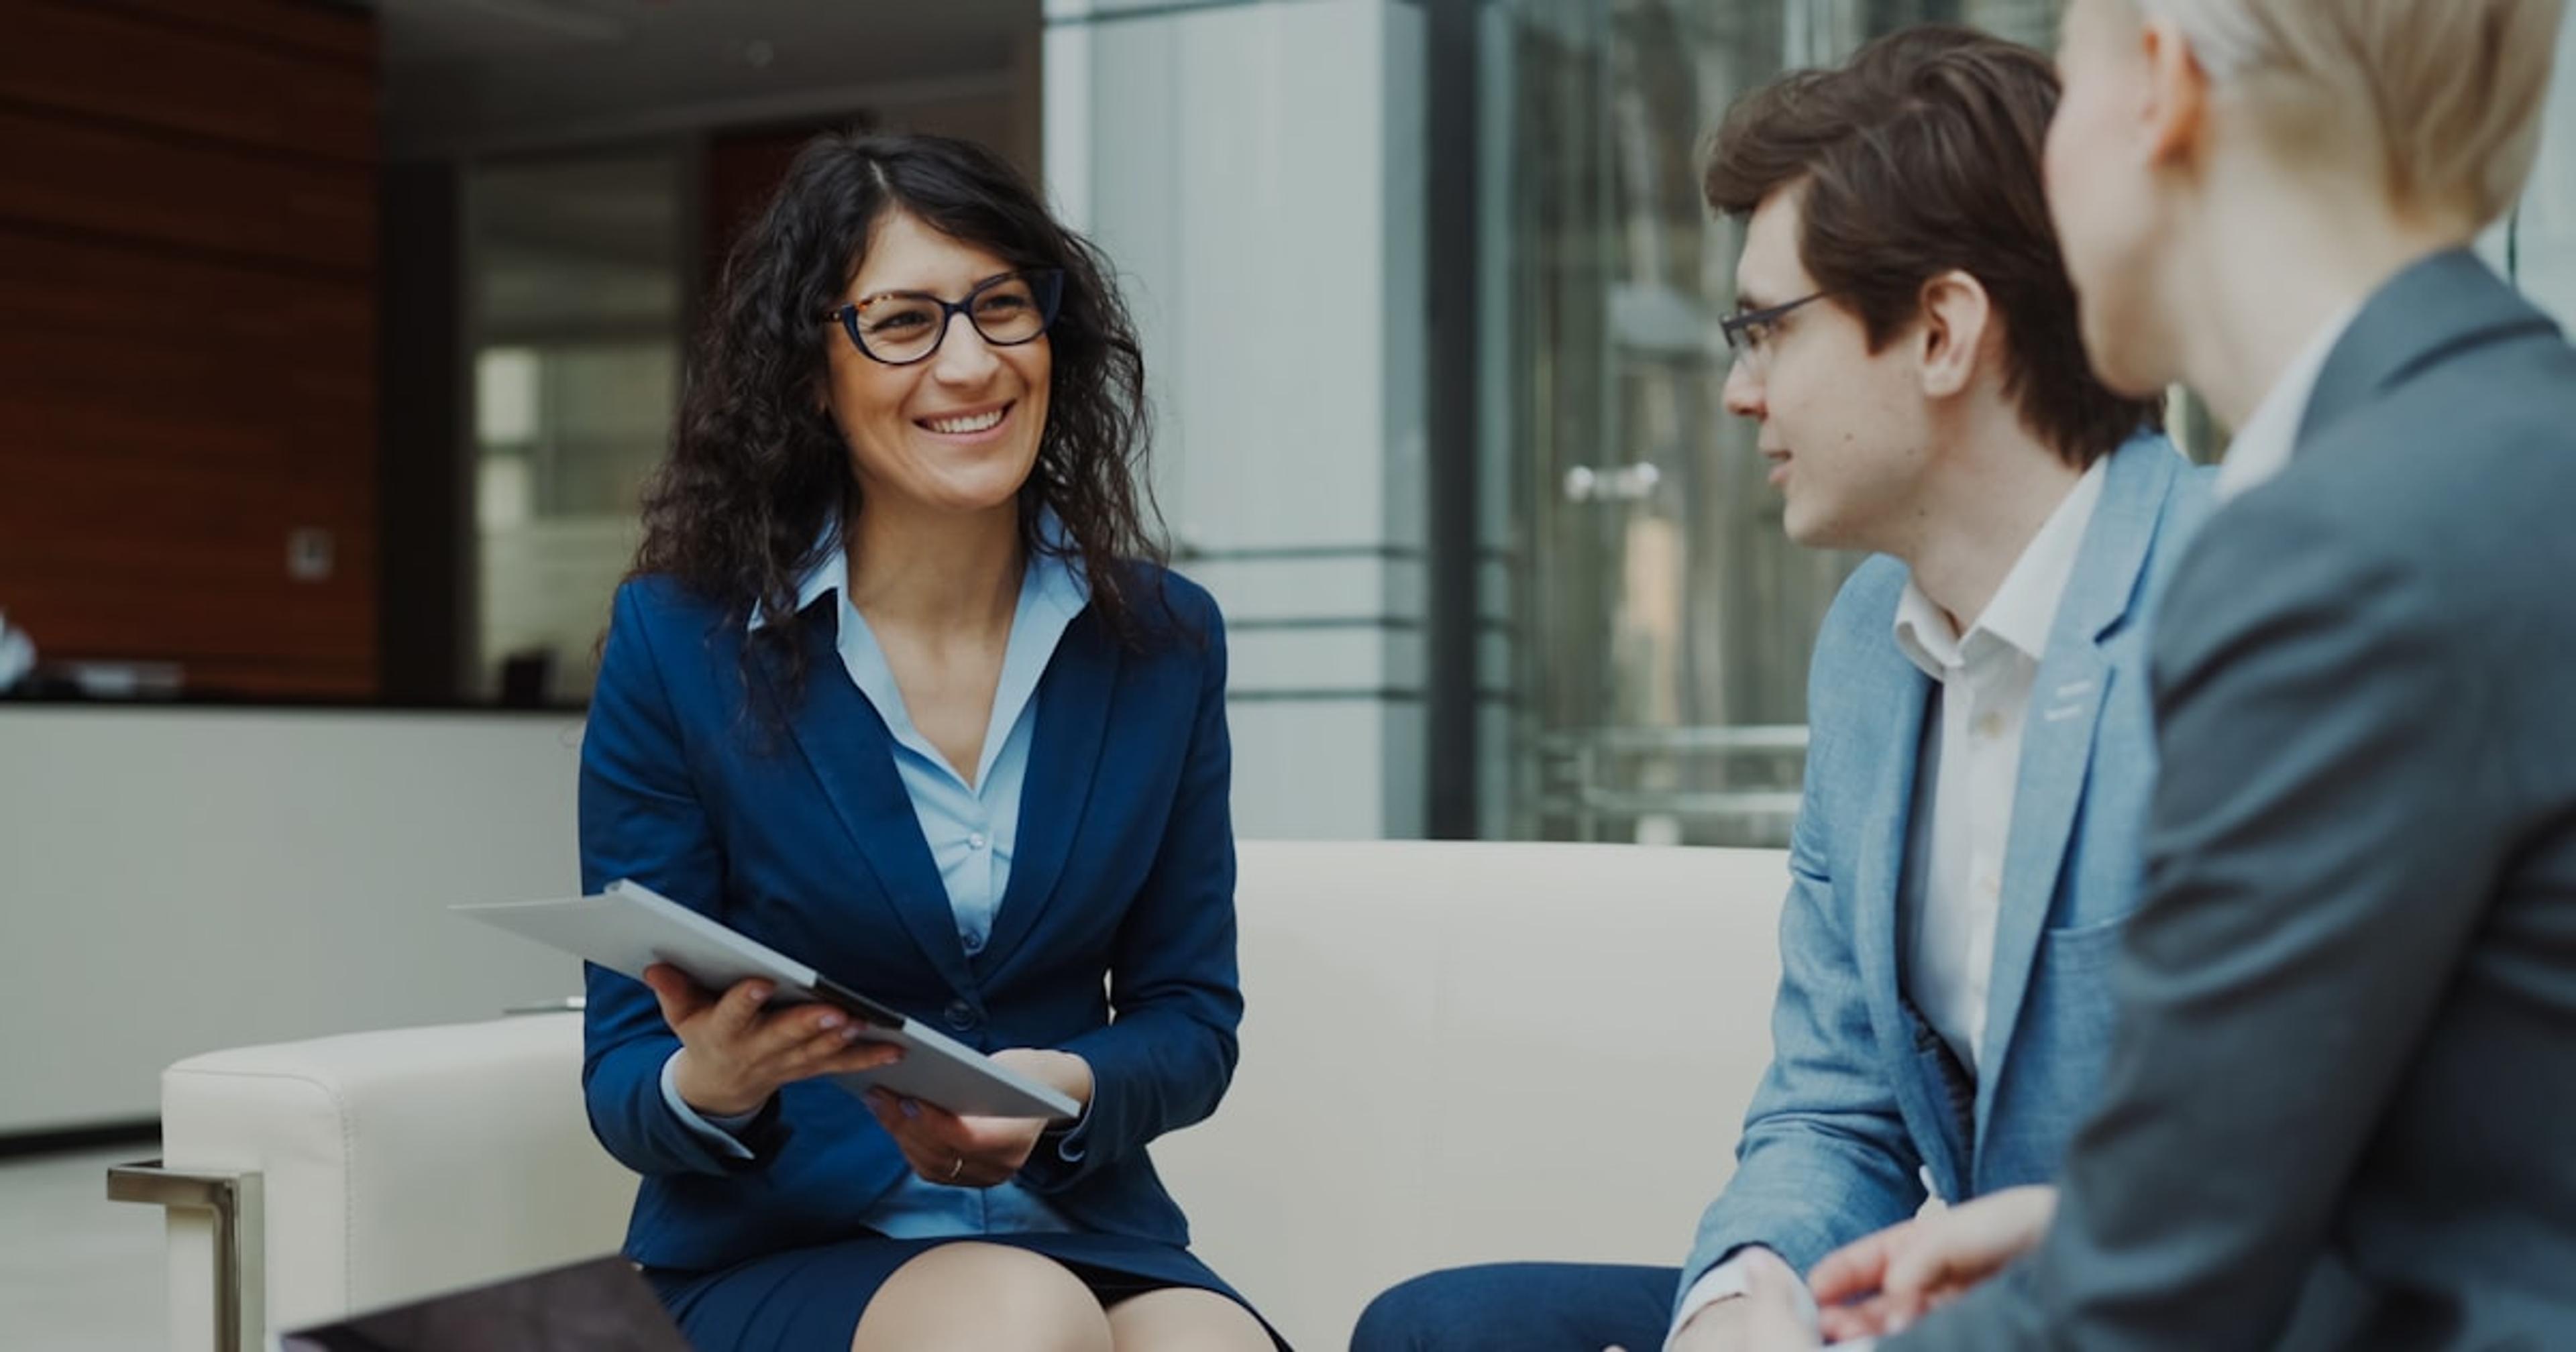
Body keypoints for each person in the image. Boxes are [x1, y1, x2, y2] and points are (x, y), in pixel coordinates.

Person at [1350, 27, 2206, 1352]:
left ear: (1941, 329)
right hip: (1947, 1308)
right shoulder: (1872, 646)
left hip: (2156, 1312)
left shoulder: (2243, 607)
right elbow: (1835, 1105)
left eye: (1763, 329)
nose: (1739, 393)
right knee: (1445, 1330)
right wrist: (1740, 1302)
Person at [1783, 1, 2576, 1347]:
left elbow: (2152, 1310)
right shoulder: (2495, 452)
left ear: (2158, 86)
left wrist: (2105, 1251)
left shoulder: (2344, 544)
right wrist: (2081, 1222)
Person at [578, 130, 1280, 1352]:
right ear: (812, 374)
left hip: (1080, 1224)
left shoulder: (1163, 641)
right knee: (1018, 1322)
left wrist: (1063, 1091)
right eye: (903, 324)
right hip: (780, 1251)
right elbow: (626, 1082)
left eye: (1002, 308)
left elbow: (1189, 1019)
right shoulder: (676, 644)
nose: (970, 364)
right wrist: (722, 1081)